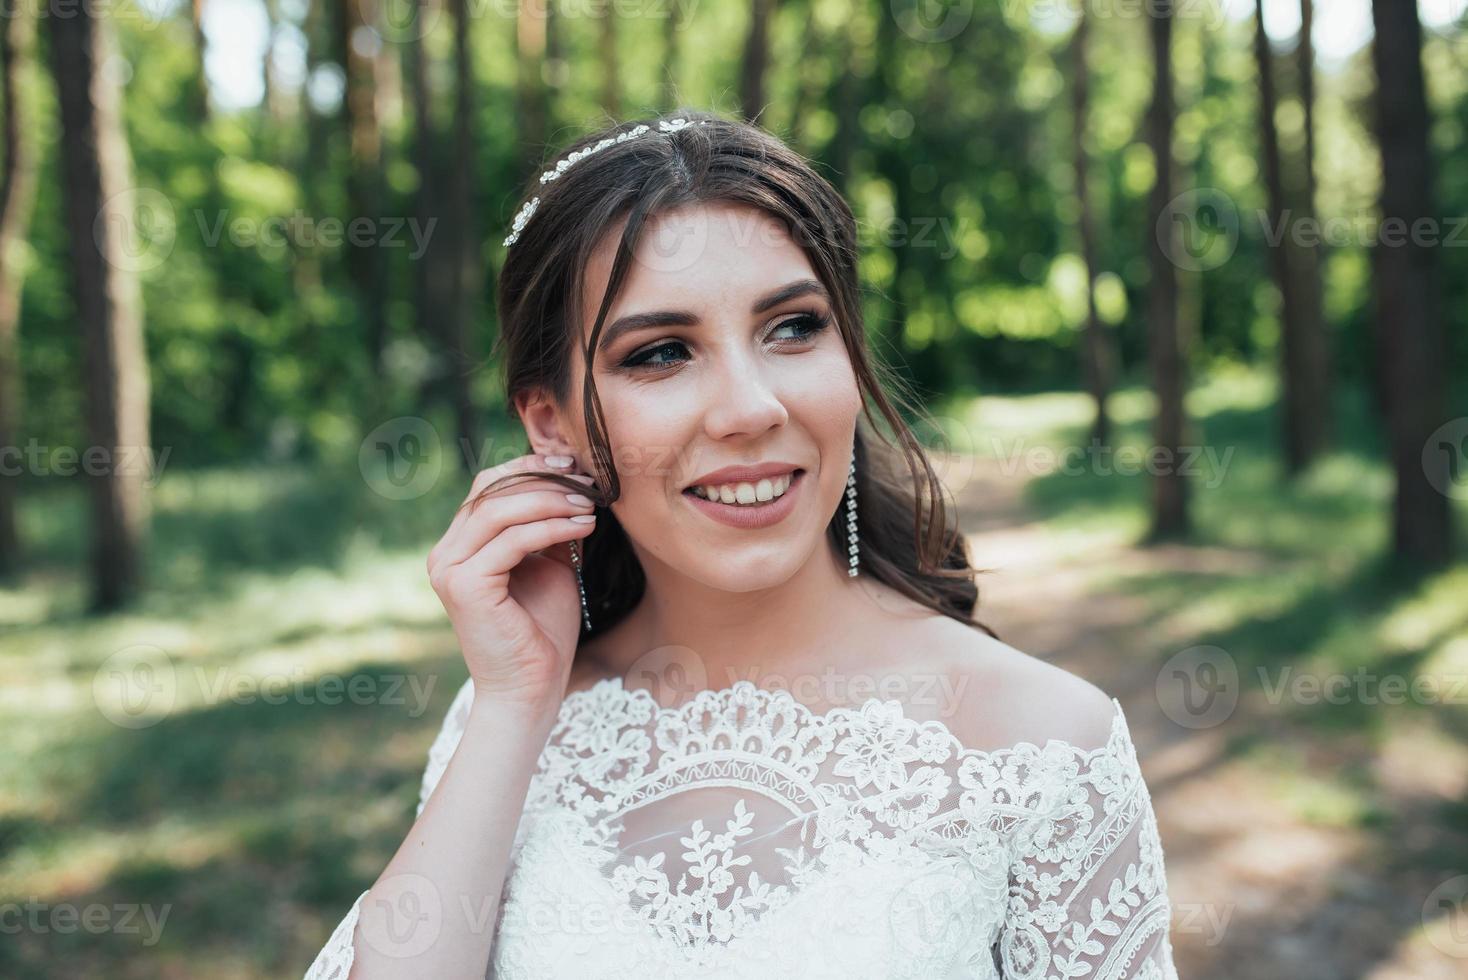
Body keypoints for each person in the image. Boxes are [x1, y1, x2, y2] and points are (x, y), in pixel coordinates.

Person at [303, 109, 1178, 979]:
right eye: (661, 353)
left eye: (794, 327)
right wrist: (511, 704)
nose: (751, 408)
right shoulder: (506, 725)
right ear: (552, 423)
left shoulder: (1048, 747)